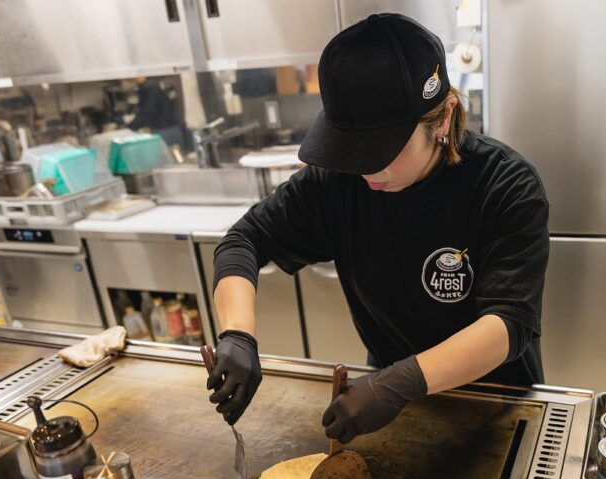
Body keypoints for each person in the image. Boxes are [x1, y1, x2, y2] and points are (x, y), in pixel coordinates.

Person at [207, 14, 549, 444]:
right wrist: (238, 334)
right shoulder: (339, 181)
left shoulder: (505, 185)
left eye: (381, 149)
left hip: (496, 408)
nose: (366, 168)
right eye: (351, 148)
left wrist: (398, 382)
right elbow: (244, 241)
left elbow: (508, 325)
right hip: (390, 407)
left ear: (442, 119)